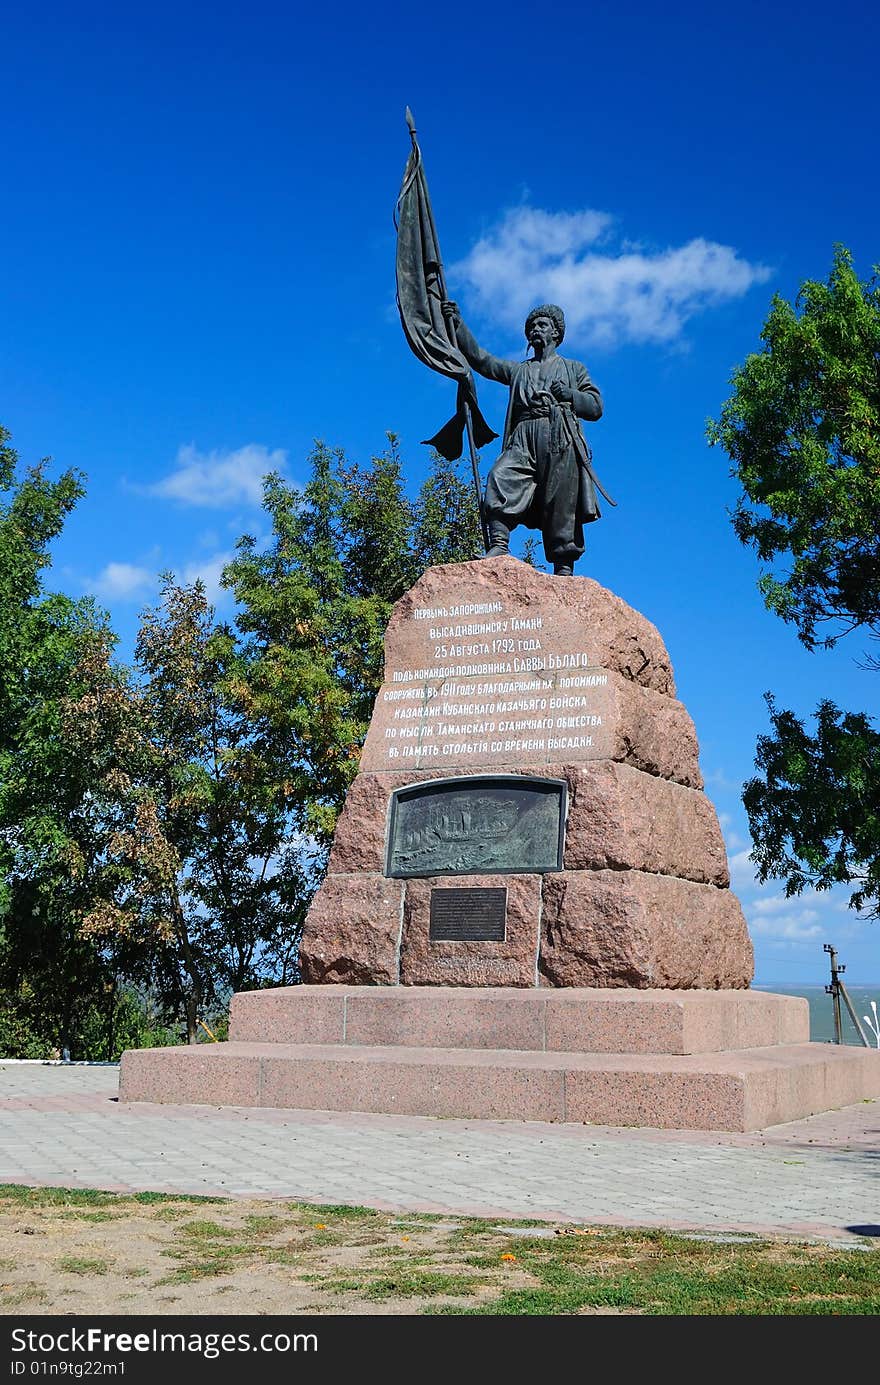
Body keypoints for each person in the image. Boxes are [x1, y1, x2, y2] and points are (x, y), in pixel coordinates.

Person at [442, 301, 609, 575]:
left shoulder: (574, 369)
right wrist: (458, 327)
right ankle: (498, 544)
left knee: (561, 500)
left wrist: (569, 394)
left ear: (556, 333)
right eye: (531, 327)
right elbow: (483, 360)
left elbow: (595, 407)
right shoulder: (519, 370)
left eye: (541, 325)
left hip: (559, 435)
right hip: (523, 434)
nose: (534, 330)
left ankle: (563, 567)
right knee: (501, 475)